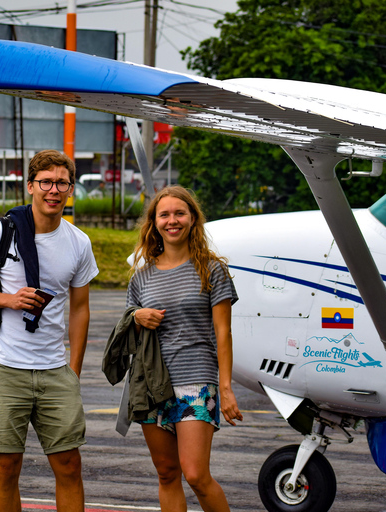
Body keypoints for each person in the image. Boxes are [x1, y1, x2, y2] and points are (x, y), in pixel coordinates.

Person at [0, 149, 99, 512]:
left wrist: (75, 369)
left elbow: (80, 308)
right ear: (30, 187)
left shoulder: (79, 242)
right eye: (46, 182)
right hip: (4, 365)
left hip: (55, 368)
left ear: (71, 190)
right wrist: (9, 300)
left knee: (69, 464)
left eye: (62, 183)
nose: (54, 190)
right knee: (6, 467)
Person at [126, 186, 243, 512]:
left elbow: (224, 333)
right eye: (164, 214)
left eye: (180, 213)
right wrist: (137, 316)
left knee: (195, 474)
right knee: (166, 474)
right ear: (154, 222)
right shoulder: (142, 277)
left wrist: (226, 387)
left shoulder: (211, 269)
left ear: (193, 219)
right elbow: (127, 333)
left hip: (195, 379)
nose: (172, 220)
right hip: (152, 383)